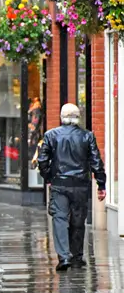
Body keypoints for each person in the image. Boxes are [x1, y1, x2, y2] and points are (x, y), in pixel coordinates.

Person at [37, 103, 106, 271]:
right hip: (80, 184)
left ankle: (64, 257)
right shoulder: (87, 136)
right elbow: (96, 162)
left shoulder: (51, 135)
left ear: (62, 117)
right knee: (78, 220)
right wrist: (101, 183)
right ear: (77, 117)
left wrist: (48, 177)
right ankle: (76, 256)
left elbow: (42, 160)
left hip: (59, 183)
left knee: (59, 218)